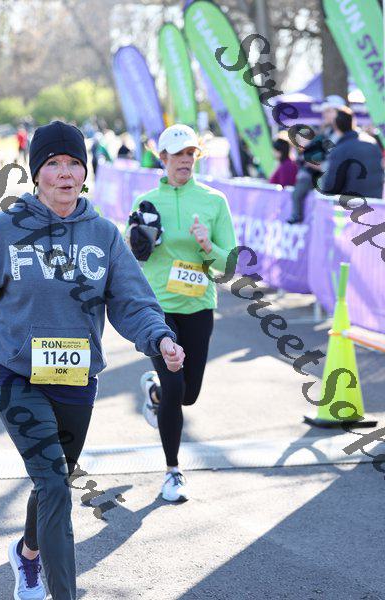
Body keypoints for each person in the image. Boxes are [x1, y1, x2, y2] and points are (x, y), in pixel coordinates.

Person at [0, 120, 185, 600]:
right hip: (14, 373)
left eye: (74, 163)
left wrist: (159, 338)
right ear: (36, 172)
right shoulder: (6, 229)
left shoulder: (103, 234)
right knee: (55, 483)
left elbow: (132, 301)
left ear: (85, 171)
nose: (65, 173)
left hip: (75, 377)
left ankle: (27, 554)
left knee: (51, 480)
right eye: (53, 163)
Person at [127, 124, 236, 503]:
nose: (185, 160)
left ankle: (155, 391)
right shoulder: (146, 201)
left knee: (188, 394)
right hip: (157, 308)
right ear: (163, 159)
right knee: (176, 388)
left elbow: (229, 264)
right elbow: (132, 254)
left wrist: (207, 246)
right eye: (178, 154)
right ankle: (173, 471)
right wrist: (141, 240)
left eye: (191, 153)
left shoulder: (213, 201)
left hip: (198, 305)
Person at [288, 94, 345, 224]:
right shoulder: (327, 132)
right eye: (324, 111)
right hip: (326, 183)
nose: (324, 114)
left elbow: (336, 162)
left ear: (338, 112)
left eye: (328, 111)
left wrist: (318, 165)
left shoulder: (342, 134)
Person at [320, 107, 384, 199]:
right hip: (374, 202)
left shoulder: (340, 150)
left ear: (336, 126)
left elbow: (331, 187)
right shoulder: (372, 144)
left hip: (351, 204)